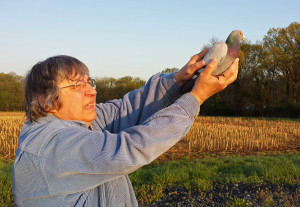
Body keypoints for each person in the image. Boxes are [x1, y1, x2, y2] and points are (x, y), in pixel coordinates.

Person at [12, 49, 239, 207]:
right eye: (77, 85)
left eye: (89, 82)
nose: (92, 91)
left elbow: (125, 109)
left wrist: (179, 79)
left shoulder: (76, 123)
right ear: (45, 100)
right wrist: (196, 97)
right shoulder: (52, 145)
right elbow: (130, 148)